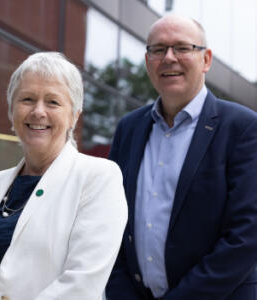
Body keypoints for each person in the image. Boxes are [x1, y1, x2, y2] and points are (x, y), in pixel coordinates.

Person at [0, 52, 128, 300]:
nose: (38, 111)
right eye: (27, 99)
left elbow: (81, 284)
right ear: (11, 110)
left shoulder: (98, 178)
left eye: (53, 102)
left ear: (74, 115)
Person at [105, 14, 257, 300]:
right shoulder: (128, 129)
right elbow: (110, 223)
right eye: (158, 49)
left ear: (207, 59)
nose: (169, 58)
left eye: (182, 48)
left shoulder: (244, 127)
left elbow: (246, 236)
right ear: (148, 61)